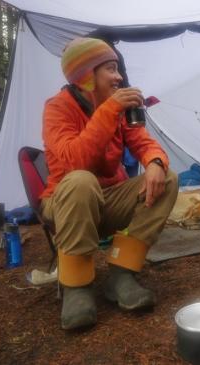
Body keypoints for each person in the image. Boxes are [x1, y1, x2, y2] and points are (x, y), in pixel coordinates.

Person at [41, 37, 178, 330]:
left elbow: (145, 142)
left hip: (109, 200)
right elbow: (74, 162)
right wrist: (108, 110)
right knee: (81, 180)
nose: (119, 77)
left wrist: (154, 162)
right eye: (111, 69)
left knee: (167, 176)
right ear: (87, 75)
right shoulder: (57, 108)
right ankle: (77, 287)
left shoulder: (116, 110)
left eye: (118, 70)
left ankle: (121, 274)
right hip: (66, 201)